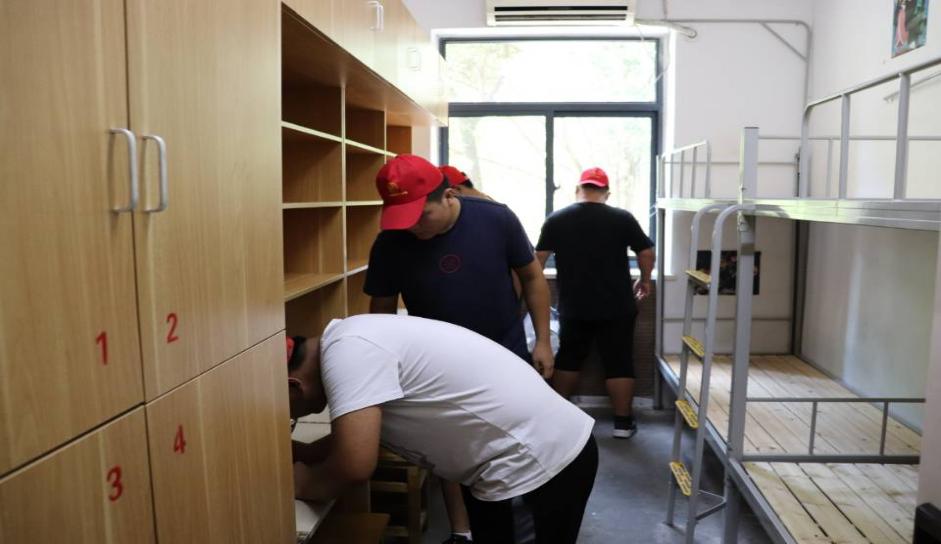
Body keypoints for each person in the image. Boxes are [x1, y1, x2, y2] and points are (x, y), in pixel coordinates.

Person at [365, 154, 555, 543]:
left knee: (515, 441)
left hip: (504, 352)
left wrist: (543, 340)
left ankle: (527, 522)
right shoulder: (390, 243)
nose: (413, 227)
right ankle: (462, 531)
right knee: (452, 449)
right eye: (402, 218)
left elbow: (532, 277)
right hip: (439, 366)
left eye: (422, 216)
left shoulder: (496, 219)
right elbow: (380, 313)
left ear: (449, 195)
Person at [288, 314, 598, 544]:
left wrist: (304, 485)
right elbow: (356, 438)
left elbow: (355, 465)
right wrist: (305, 453)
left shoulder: (348, 353)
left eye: (286, 412)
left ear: (294, 386)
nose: (289, 417)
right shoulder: (350, 339)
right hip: (515, 459)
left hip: (536, 464)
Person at [535, 167, 655, 439]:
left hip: (574, 305)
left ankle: (559, 420)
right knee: (619, 361)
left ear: (578, 189)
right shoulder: (622, 218)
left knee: (568, 358)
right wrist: (645, 279)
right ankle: (622, 424)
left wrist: (534, 291)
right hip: (617, 306)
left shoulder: (557, 219)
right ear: (606, 193)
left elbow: (537, 260)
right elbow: (646, 252)